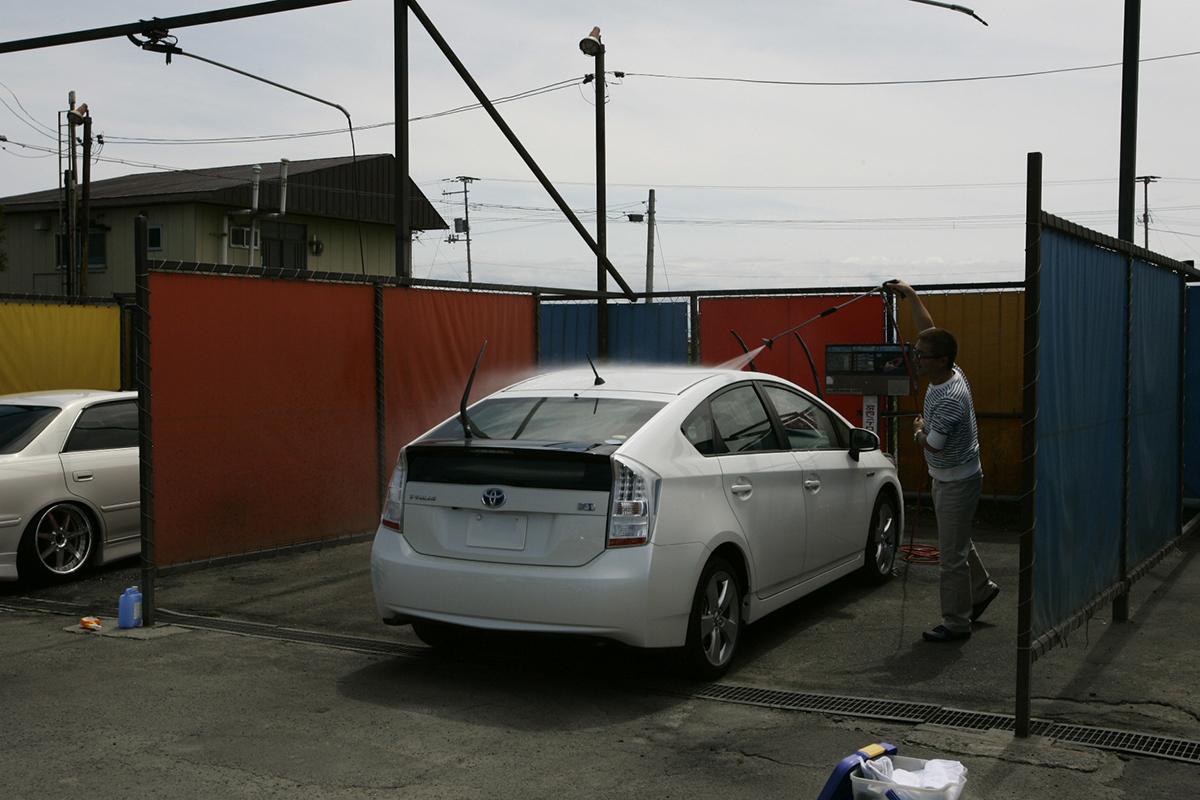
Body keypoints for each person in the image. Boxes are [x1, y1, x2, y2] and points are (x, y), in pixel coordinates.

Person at [885, 279, 999, 643]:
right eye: (916, 352)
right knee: (956, 540)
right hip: (953, 477)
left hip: (956, 480)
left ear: (942, 360)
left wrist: (919, 430)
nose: (916, 358)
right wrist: (912, 296)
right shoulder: (950, 369)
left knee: (950, 558)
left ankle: (956, 623)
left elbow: (933, 445)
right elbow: (927, 329)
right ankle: (981, 590)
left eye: (921, 355)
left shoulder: (950, 397)